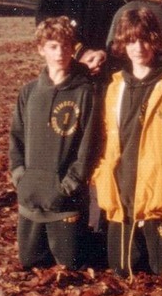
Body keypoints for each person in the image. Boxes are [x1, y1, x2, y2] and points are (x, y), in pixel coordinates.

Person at [92, 8, 162, 277]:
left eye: (145, 40)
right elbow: (105, 140)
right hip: (121, 198)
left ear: (155, 41)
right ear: (123, 43)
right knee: (121, 271)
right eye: (132, 41)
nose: (139, 47)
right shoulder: (115, 87)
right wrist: (103, 178)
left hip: (160, 200)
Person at [9, 17, 101, 270]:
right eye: (52, 46)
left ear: (73, 48)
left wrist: (69, 185)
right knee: (29, 261)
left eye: (65, 46)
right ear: (41, 49)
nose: (60, 52)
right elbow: (16, 137)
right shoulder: (28, 92)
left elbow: (89, 145)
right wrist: (20, 176)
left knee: (71, 264)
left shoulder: (85, 92)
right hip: (31, 196)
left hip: (64, 198)